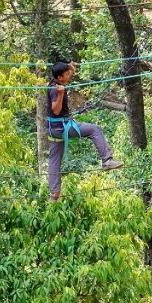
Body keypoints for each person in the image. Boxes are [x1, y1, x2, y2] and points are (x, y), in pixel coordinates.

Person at [46, 61, 123, 200]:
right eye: (67, 74)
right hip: (61, 127)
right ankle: (107, 161)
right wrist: (61, 94)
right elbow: (56, 110)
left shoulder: (54, 82)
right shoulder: (56, 90)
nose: (70, 75)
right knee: (95, 130)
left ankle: (54, 193)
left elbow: (65, 76)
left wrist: (70, 68)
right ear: (60, 77)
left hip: (53, 129)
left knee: (54, 160)